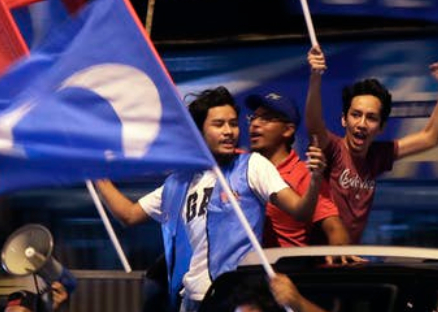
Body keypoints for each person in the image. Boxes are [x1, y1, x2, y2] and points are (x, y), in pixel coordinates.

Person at [94, 86, 327, 312]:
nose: (229, 131)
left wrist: (315, 181)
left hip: (237, 299)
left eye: (234, 124)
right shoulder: (178, 183)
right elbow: (129, 214)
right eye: (219, 124)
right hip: (190, 300)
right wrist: (96, 176)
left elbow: (300, 210)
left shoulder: (252, 166)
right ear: (199, 132)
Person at [304, 44, 438, 244]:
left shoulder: (378, 155)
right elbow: (314, 125)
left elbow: (431, 137)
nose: (361, 124)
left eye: (371, 118)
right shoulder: (333, 149)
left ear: (381, 127)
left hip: (349, 261)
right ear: (344, 119)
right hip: (318, 260)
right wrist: (315, 77)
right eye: (355, 115)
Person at [244, 90, 350, 249]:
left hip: (288, 269)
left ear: (287, 130)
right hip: (243, 269)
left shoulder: (306, 176)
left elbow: (334, 227)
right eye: (253, 118)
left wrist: (342, 257)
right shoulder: (239, 166)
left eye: (266, 118)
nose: (255, 124)